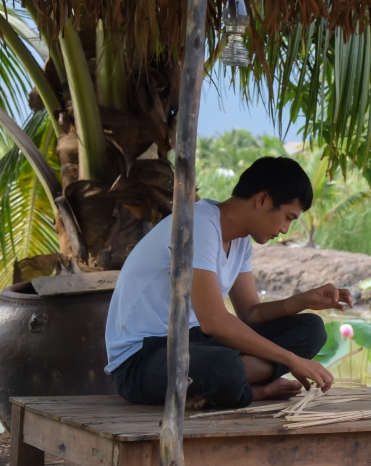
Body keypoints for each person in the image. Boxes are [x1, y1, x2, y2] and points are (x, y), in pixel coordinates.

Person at [104, 156, 348, 408]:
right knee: (223, 367)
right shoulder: (198, 225)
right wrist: (292, 360)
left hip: (194, 342)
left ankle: (228, 386)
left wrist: (304, 300)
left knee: (311, 329)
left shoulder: (240, 239)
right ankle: (253, 390)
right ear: (262, 199)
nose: (286, 229)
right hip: (142, 359)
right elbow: (214, 322)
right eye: (288, 217)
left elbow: (250, 313)